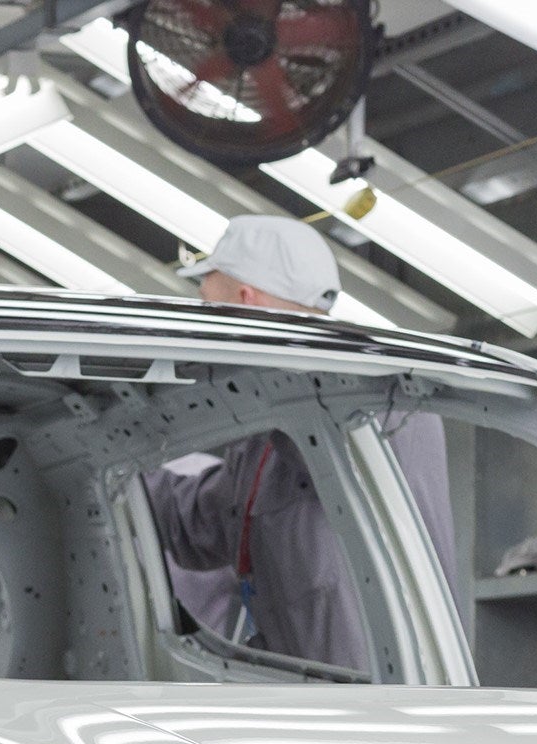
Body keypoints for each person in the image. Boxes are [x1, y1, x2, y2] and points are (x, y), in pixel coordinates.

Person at [145, 214, 456, 673]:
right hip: (302, 698)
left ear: (244, 302)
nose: (201, 326)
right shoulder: (268, 437)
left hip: (375, 704)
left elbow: (341, 467)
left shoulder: (372, 397)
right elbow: (201, 523)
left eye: (208, 306)